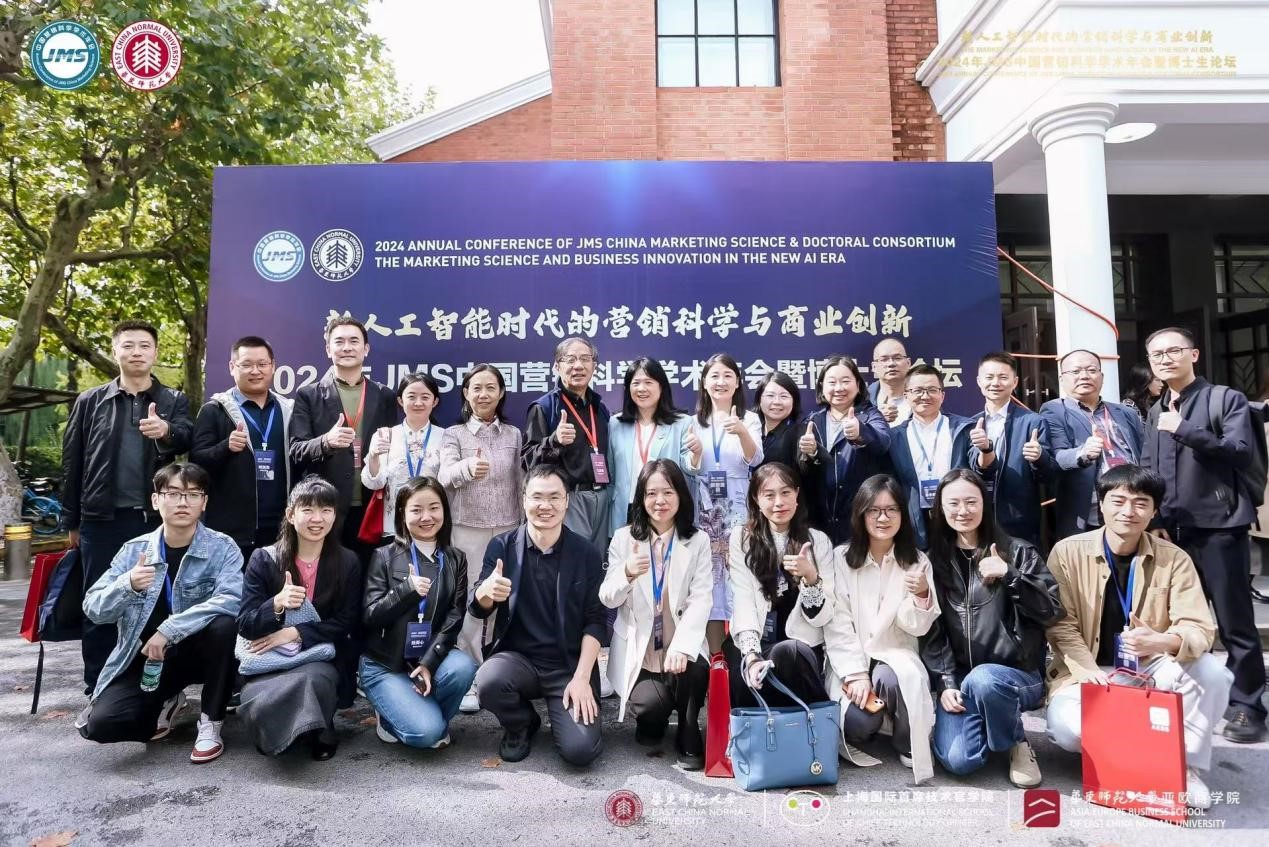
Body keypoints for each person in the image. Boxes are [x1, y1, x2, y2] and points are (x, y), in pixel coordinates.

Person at [1044, 464, 1234, 808]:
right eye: (1118, 501)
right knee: (1068, 730)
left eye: (1141, 503)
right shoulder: (1067, 552)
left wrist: (1163, 641)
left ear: (1154, 510)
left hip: (1150, 666)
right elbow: (1060, 625)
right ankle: (1144, 757)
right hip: (1087, 670)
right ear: (1101, 504)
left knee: (1213, 674)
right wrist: (1091, 675)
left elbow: (1199, 627)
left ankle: (1183, 765)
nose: (1128, 511)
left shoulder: (1174, 559)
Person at [1139, 327, 1266, 743]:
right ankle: (1195, 696)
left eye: (1173, 351)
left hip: (1219, 526)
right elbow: (1150, 467)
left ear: (1193, 354)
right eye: (1157, 354)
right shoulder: (1157, 409)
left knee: (1234, 621)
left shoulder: (1224, 399)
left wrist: (1184, 429)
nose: (1165, 359)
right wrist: (1154, 517)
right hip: (1172, 531)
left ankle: (1248, 705)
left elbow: (1240, 452)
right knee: (1180, 620)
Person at [63, 320, 194, 699]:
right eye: (128, 345)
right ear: (115, 350)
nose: (136, 352)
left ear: (155, 352)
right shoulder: (90, 401)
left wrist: (166, 431)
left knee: (157, 605)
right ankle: (98, 689)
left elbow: (188, 437)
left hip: (154, 522)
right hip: (101, 520)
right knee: (101, 604)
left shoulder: (172, 399)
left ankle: (159, 691)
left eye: (144, 346)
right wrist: (71, 520)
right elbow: (72, 462)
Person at [79, 463, 241, 764]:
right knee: (102, 724)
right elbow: (94, 609)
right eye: (173, 493)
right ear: (156, 500)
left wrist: (169, 630)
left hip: (200, 652)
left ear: (204, 502)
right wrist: (127, 584)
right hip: (149, 659)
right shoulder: (134, 550)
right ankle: (168, 700)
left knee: (225, 626)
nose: (183, 502)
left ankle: (211, 720)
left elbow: (231, 599)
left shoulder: (223, 547)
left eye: (193, 494)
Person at [921, 469, 1062, 786]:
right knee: (960, 761)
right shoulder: (934, 560)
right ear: (940, 508)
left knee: (985, 678)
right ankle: (990, 721)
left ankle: (1015, 741)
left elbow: (1051, 611)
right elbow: (933, 631)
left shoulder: (1018, 551)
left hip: (1017, 676)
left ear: (985, 503)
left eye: (971, 502)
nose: (963, 511)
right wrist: (945, 682)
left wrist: (1010, 575)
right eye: (953, 503)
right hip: (962, 680)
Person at [469, 465, 607, 765]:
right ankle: (521, 724)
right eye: (537, 497)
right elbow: (478, 607)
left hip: (568, 666)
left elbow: (596, 620)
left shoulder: (585, 553)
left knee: (580, 751)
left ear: (567, 501)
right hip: (518, 661)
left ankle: (568, 714)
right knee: (489, 681)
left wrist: (582, 677)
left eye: (554, 497)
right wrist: (486, 592)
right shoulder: (502, 546)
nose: (546, 505)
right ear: (523, 500)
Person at [824, 474, 941, 784]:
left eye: (891, 510)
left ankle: (905, 739)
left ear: (903, 513)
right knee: (860, 724)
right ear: (861, 514)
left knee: (893, 676)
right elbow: (837, 621)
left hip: (894, 654)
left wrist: (921, 594)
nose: (883, 518)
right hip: (850, 658)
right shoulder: (841, 558)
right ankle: (878, 721)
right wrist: (854, 673)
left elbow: (917, 627)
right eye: (874, 510)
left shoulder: (916, 561)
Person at [236, 477, 362, 760]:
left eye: (326, 510)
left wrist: (296, 633)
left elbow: (347, 621)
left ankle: (319, 730)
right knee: (263, 696)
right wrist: (276, 604)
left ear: (334, 516)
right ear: (290, 515)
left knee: (314, 679)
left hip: (317, 656)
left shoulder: (347, 562)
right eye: (308, 509)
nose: (317, 519)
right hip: (269, 660)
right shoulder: (264, 559)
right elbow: (245, 623)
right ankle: (295, 730)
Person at [600, 459, 713, 769]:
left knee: (694, 669)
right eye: (651, 493)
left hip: (679, 646)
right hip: (644, 652)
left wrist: (683, 646)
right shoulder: (624, 539)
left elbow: (701, 599)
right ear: (641, 498)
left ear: (681, 496)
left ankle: (689, 728)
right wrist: (626, 573)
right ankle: (654, 720)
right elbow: (607, 598)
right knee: (650, 709)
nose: (659, 501)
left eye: (668, 492)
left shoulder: (698, 541)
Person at [360, 478, 478, 749]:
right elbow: (370, 616)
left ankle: (423, 713)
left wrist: (429, 663)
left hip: (427, 658)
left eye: (434, 508)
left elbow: (454, 617)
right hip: (386, 665)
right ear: (402, 513)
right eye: (416, 510)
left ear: (444, 511)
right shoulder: (384, 556)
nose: (427, 517)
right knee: (426, 733)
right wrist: (406, 591)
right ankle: (392, 717)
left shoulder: (455, 558)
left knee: (463, 667)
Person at [438, 364, 524, 713]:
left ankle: (502, 670)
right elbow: (444, 475)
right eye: (476, 388)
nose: (483, 394)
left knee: (506, 598)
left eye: (491, 388)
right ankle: (471, 674)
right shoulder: (454, 434)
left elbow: (521, 481)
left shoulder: (514, 434)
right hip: (468, 529)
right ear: (466, 393)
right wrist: (467, 469)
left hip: (508, 528)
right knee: (472, 598)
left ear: (501, 393)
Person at [728, 463, 836, 716]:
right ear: (756, 500)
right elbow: (743, 599)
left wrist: (810, 577)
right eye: (769, 495)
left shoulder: (817, 541)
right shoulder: (742, 539)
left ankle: (811, 726)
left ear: (797, 495)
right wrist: (752, 657)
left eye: (786, 492)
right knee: (741, 664)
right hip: (757, 641)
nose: (779, 502)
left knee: (789, 652)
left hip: (803, 646)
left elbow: (823, 616)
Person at [288, 315, 397, 562]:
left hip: (371, 505)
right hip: (326, 506)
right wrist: (326, 441)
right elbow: (296, 450)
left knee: (370, 575)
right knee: (330, 575)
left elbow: (393, 451)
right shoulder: (308, 395)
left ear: (366, 349)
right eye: (339, 342)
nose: (347, 347)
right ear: (328, 349)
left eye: (354, 341)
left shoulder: (384, 395)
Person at [191, 335, 293, 566]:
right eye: (246, 364)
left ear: (273, 366)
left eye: (262, 364)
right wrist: (225, 447)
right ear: (232, 367)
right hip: (231, 531)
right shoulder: (214, 410)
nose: (255, 371)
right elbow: (196, 463)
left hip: (281, 527)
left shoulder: (288, 410)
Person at [687, 353, 764, 653]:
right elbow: (689, 466)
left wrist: (742, 431)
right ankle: (716, 656)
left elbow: (755, 459)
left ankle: (745, 653)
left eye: (727, 375)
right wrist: (694, 454)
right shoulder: (693, 422)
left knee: (740, 575)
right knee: (710, 580)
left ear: (738, 382)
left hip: (738, 505)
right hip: (705, 509)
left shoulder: (750, 418)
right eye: (714, 376)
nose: (721, 382)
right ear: (704, 383)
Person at [521, 336, 613, 552]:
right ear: (557, 366)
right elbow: (527, 460)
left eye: (585, 359)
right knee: (571, 560)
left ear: (594, 366)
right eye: (570, 359)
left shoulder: (599, 408)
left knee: (597, 562)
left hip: (602, 497)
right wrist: (554, 441)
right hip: (568, 500)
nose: (578, 366)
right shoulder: (544, 408)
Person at [1041, 349, 1144, 540]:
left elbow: (1144, 457)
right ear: (1062, 379)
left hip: (1132, 507)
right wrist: (1084, 453)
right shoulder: (1054, 411)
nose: (1084, 376)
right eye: (1076, 371)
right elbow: (1058, 456)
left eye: (1091, 370)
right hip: (1089, 513)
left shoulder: (1126, 413)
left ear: (1102, 377)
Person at [797, 355, 892, 545]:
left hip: (859, 519)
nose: (839, 388)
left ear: (858, 385)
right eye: (832, 382)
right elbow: (803, 473)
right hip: (820, 522)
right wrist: (811, 453)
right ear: (822, 387)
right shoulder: (812, 421)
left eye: (846, 381)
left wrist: (860, 432)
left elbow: (883, 442)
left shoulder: (870, 415)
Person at [966, 351, 1054, 547]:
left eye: (1003, 377)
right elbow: (970, 469)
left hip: (1020, 518)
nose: (995, 383)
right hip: (978, 516)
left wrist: (1039, 457)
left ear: (1015, 382)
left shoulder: (1033, 422)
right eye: (989, 377)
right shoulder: (969, 425)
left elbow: (1048, 475)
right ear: (979, 381)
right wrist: (984, 450)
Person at [887, 364, 973, 550]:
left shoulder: (964, 429)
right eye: (917, 390)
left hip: (957, 514)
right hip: (913, 520)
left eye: (932, 390)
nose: (925, 396)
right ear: (906, 396)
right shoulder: (894, 436)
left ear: (942, 395)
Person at [607, 358, 696, 534]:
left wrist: (697, 454)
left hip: (664, 507)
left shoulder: (682, 423)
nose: (641, 388)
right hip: (626, 508)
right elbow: (610, 471)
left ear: (661, 387)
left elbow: (689, 467)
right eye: (636, 383)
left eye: (648, 382)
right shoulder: (615, 423)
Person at [361, 373, 445, 539]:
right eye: (411, 397)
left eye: (425, 397)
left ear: (434, 401)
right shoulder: (385, 435)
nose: (418, 403)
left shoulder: (446, 436)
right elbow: (374, 483)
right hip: (394, 524)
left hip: (432, 523)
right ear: (400, 400)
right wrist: (374, 457)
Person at [754, 370, 803, 477]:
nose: (777, 402)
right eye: (770, 395)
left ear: (794, 401)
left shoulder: (800, 434)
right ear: (759, 400)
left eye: (784, 396)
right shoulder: (750, 430)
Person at [868, 337, 913, 427]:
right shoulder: (863, 400)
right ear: (874, 367)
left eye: (897, 358)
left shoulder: (922, 397)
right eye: (884, 359)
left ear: (908, 363)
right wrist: (877, 419)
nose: (891, 364)